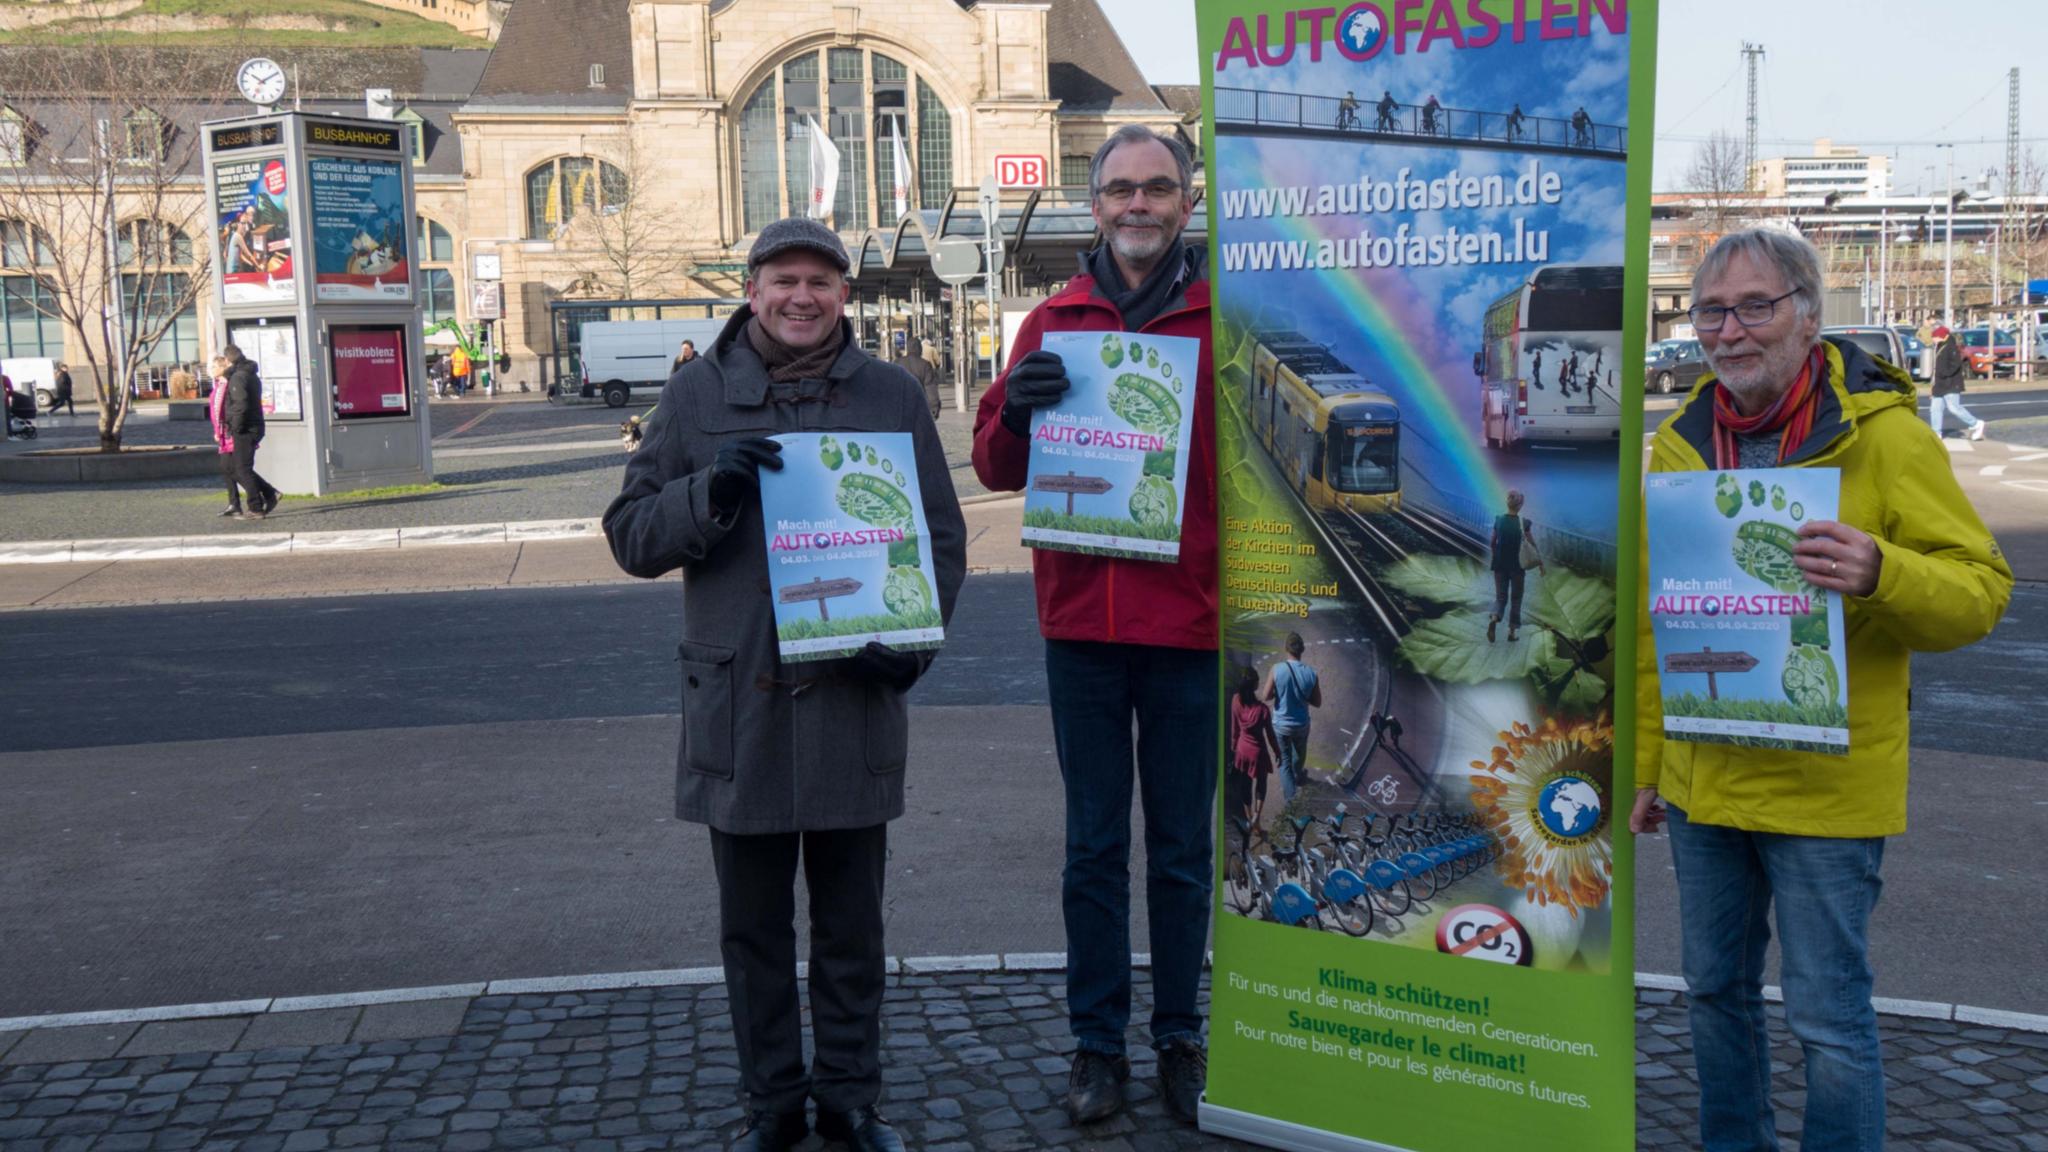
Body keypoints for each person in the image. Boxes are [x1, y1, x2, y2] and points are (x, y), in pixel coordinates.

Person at [1630, 229, 2012, 1152]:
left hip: (1828, 788)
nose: (1729, 332)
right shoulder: (1679, 446)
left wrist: (1883, 570)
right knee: (1714, 994)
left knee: (1829, 1021)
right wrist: (1647, 763)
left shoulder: (1885, 439)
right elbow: (1658, 622)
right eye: (1711, 311)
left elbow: (1981, 590)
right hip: (1706, 778)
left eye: (1754, 307)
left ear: (1807, 314)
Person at [603, 216, 966, 1152]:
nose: (802, 297)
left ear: (846, 294)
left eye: (821, 281)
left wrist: (914, 644)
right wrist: (707, 493)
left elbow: (939, 534)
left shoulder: (891, 392)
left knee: (853, 933)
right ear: (752, 290)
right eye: (783, 281)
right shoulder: (694, 394)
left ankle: (849, 1097)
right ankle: (773, 1103)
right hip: (744, 707)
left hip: (854, 699)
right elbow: (630, 533)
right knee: (754, 936)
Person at [970, 123, 1216, 1127]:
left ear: (1185, 201)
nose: (1138, 206)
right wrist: (1015, 412)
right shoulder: (1049, 321)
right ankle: (1094, 1045)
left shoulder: (1221, 321)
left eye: (1156, 188)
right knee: (1090, 848)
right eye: (1119, 190)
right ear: (1093, 204)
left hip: (1192, 625)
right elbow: (993, 466)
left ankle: (1178, 1036)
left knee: (1181, 851)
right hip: (1080, 626)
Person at [1261, 632, 1321, 805]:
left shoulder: (1276, 669)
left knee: (1284, 762)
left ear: (1286, 648)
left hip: (1281, 725)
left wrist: (1279, 693)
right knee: (1300, 752)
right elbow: (1317, 702)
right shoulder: (1311, 673)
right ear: (1302, 650)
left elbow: (1266, 696)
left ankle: (1291, 801)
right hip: (1301, 724)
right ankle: (1299, 773)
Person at [221, 344, 279, 520]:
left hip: (246, 428)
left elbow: (241, 405)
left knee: (242, 469)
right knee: (237, 467)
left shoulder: (238, 378)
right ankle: (270, 493)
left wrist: (236, 427)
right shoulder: (249, 374)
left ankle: (256, 507)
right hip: (252, 426)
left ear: (227, 360)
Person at [1226, 664, 1277, 833]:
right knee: (1261, 784)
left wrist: (1234, 749)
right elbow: (1270, 736)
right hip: (1258, 753)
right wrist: (1277, 752)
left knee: (1245, 785)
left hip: (1242, 750)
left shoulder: (1235, 700)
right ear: (1255, 685)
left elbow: (1234, 729)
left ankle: (1249, 820)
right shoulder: (1262, 710)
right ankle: (1257, 818)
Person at [1487, 488, 1542, 643]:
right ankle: (1512, 633)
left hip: (1499, 565)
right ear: (1519, 506)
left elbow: (1493, 542)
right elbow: (1532, 544)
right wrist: (1540, 563)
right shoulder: (1524, 524)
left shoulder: (1498, 520)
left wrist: (1495, 555)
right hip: (1517, 567)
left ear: (1508, 503)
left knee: (1501, 597)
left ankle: (1494, 618)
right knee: (1516, 599)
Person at [1928, 325, 1987, 441]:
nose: (1932, 339)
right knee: (1935, 408)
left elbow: (1955, 365)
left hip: (1951, 384)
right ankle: (1936, 433)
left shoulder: (1952, 347)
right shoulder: (1939, 347)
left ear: (1941, 336)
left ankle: (1976, 423)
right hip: (1940, 384)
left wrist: (1944, 374)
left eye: (1934, 337)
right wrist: (1934, 384)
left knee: (1954, 407)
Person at [206, 356, 242, 518]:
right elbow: (215, 410)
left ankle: (266, 491)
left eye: (214, 366)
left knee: (233, 468)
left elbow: (226, 410)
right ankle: (233, 503)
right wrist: (216, 430)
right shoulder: (218, 386)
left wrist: (224, 428)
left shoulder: (227, 386)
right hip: (221, 433)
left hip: (229, 433)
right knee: (226, 468)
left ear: (222, 368)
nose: (211, 369)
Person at [893, 334, 941, 419]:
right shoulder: (925, 365)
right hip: (919, 405)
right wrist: (934, 407)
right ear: (920, 349)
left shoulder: (897, 363)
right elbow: (930, 387)